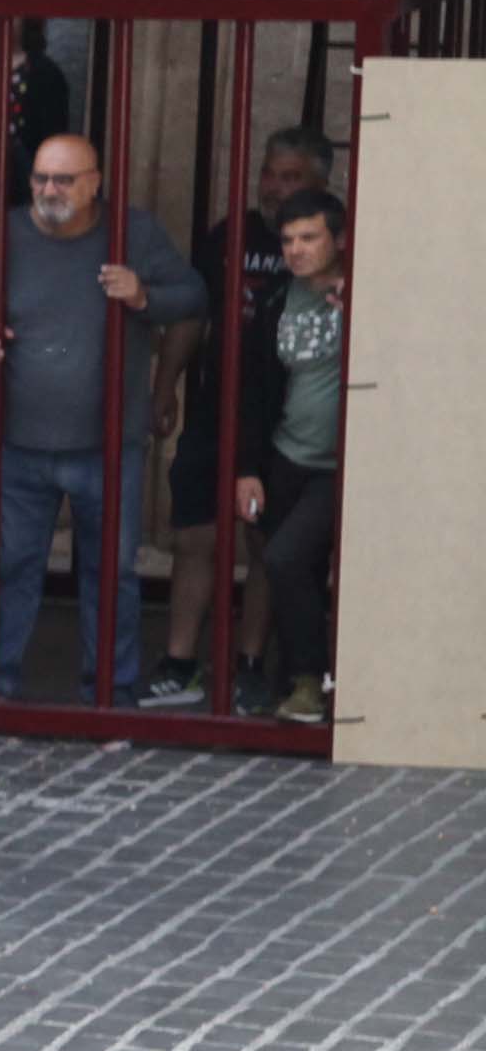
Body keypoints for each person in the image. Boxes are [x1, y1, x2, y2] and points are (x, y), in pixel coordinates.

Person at [0, 133, 205, 703]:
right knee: (9, 567)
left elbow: (192, 295)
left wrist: (143, 297)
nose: (48, 190)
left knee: (112, 573)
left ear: (95, 182)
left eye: (63, 180)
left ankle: (108, 694)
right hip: (19, 441)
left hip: (108, 444)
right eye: (40, 178)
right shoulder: (4, 232)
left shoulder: (132, 233)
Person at [146, 121, 336, 707]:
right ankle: (181, 661)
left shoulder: (330, 253)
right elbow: (193, 313)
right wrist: (167, 384)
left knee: (267, 546)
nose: (274, 188)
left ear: (319, 185)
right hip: (215, 408)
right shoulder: (230, 234)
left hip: (283, 428)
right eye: (268, 174)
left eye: (290, 177)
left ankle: (250, 663)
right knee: (196, 533)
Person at [235, 190, 347, 725]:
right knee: (288, 569)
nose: (296, 249)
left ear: (339, 240)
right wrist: (248, 469)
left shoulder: (364, 293)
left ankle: (313, 683)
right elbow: (256, 390)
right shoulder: (279, 299)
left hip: (340, 465)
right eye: (287, 239)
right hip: (286, 458)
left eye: (309, 238)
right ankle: (300, 675)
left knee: (284, 559)